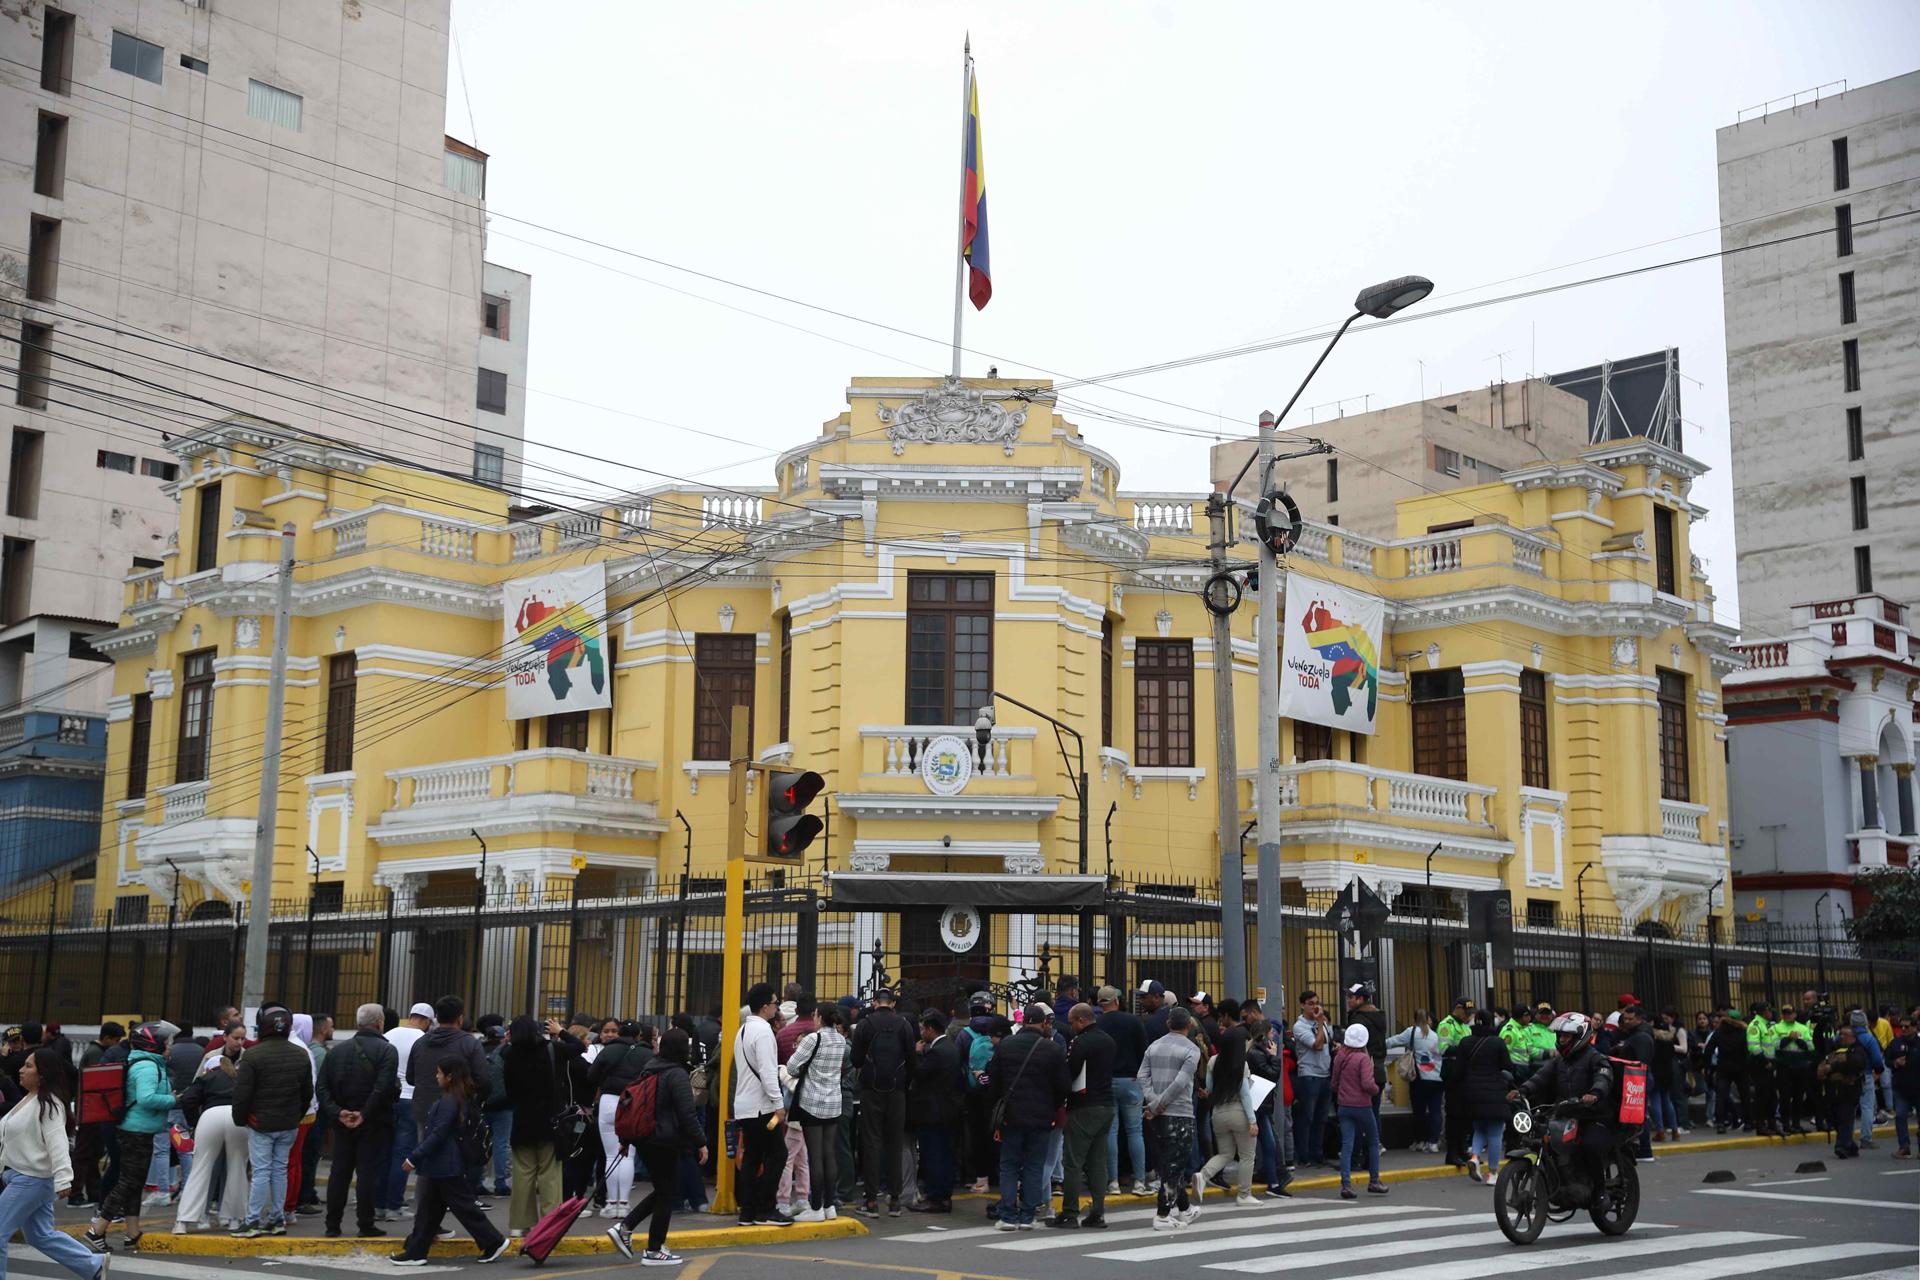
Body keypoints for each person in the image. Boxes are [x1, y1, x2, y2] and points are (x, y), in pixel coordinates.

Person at [388, 1059, 508, 1266]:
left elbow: (438, 1134)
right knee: (429, 1212)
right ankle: (416, 1251)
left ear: (450, 1076)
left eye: (439, 1073)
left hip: (445, 1164)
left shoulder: (449, 1101)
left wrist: (414, 1157)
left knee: (462, 1208)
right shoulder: (457, 1098)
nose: (436, 1076)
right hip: (443, 1165)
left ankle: (494, 1241)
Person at [605, 1028, 708, 1267]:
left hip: (644, 1138)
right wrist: (701, 1142)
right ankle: (653, 1249)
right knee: (666, 1193)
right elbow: (687, 1113)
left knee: (663, 1189)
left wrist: (626, 1140)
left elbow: (637, 1106)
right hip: (664, 1140)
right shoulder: (677, 1074)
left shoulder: (650, 1067)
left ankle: (626, 1227)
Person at [2, 1046, 101, 1280]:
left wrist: (64, 1178)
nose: (21, 1070)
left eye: (28, 1066)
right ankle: (93, 1265)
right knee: (40, 1235)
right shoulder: (29, 1099)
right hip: (21, 1176)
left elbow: (58, 1142)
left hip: (31, 1180)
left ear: (43, 1073)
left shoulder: (49, 1103)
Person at [86, 1022, 174, 1253]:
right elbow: (146, 1099)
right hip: (136, 1131)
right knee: (127, 1183)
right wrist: (174, 1100)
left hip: (139, 1130)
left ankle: (132, 1233)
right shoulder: (146, 1066)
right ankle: (97, 1229)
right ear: (154, 1044)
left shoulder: (148, 1063)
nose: (170, 1046)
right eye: (167, 1042)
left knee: (134, 1183)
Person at [226, 1005, 312, 1239]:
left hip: (261, 1123)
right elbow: (307, 1093)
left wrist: (240, 1119)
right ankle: (277, 1219)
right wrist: (295, 1115)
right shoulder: (300, 1053)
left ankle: (253, 1220)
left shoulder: (253, 1055)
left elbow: (242, 1094)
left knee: (261, 1171)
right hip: (289, 1123)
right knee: (280, 1171)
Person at [317, 1003, 399, 1240]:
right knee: (367, 1174)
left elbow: (322, 1087)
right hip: (374, 1122)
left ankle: (332, 1224)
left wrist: (339, 1112)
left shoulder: (336, 1051)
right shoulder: (386, 1051)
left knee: (339, 1173)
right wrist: (364, 1113)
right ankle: (366, 1223)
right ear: (380, 1022)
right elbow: (382, 1088)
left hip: (342, 1123)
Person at [987, 1003, 1068, 1231]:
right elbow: (1062, 1086)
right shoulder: (1051, 1049)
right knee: (1034, 1166)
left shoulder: (1006, 1046)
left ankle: (1007, 1215)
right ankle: (1028, 1216)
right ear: (1043, 1023)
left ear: (1023, 1022)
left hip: (1011, 1116)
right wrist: (1051, 1107)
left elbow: (993, 1082)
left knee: (1009, 1165)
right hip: (1042, 1118)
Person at [1513, 1012, 1617, 1188]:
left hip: (1593, 1116)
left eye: (1566, 1036)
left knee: (1590, 1147)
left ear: (1580, 1036)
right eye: (1560, 1035)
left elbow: (1603, 1077)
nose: (1561, 1039)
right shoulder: (1560, 1061)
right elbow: (1541, 1077)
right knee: (1543, 1137)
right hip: (1566, 1113)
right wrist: (1522, 1090)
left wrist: (1595, 1093)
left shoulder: (1595, 1058)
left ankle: (1599, 1192)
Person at [173, 1022, 249, 1233]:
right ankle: (234, 1219)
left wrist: (194, 1123)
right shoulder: (240, 1075)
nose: (240, 1042)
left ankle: (183, 1221)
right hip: (237, 1117)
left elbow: (188, 1099)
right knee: (237, 1168)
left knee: (200, 1168)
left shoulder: (207, 1076)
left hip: (210, 1116)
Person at [849, 986, 915, 1218]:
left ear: (875, 1002)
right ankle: (895, 1200)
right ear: (893, 1004)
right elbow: (912, 1060)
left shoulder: (865, 1026)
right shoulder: (904, 1025)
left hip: (870, 1090)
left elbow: (855, 1060)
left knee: (871, 1142)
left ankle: (870, 1201)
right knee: (894, 1143)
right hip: (897, 1092)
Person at [1048, 1002, 1114, 1229]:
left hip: (1084, 1106)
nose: (1071, 1026)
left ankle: (1069, 1213)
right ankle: (1098, 1213)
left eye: (1073, 1022)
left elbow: (1070, 1074)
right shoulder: (1108, 1040)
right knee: (1097, 1163)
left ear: (1082, 1020)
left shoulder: (1080, 1043)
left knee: (1073, 1162)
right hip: (1106, 1105)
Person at [782, 1004, 849, 1222]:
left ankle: (816, 1207)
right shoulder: (840, 1039)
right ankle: (830, 1206)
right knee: (829, 1153)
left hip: (812, 1102)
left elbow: (792, 1067)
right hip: (833, 1102)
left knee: (815, 1155)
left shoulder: (813, 1039)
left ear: (819, 1017)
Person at [497, 1016, 563, 1237]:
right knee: (550, 1174)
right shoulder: (550, 1049)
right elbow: (576, 1048)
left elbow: (508, 1089)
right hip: (548, 1119)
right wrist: (560, 1031)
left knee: (522, 1174)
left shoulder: (509, 1054)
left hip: (522, 1119)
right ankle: (549, 1224)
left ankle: (519, 1224)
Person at [733, 984, 790, 1228]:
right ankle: (766, 1207)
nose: (777, 1008)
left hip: (745, 1104)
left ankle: (748, 1211)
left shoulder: (743, 1030)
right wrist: (779, 1104)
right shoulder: (765, 1032)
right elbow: (768, 1073)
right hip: (761, 1106)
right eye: (776, 1003)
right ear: (765, 1006)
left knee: (752, 1157)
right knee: (778, 1154)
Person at [1140, 1006, 1200, 1231]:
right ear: (1189, 1025)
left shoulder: (1153, 1046)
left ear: (1168, 1024)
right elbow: (1181, 1083)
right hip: (1179, 1113)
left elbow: (1142, 1076)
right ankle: (1163, 1215)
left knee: (1168, 1164)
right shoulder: (1191, 1050)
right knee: (1174, 1165)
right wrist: (1160, 1103)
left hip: (1156, 1116)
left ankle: (1185, 1209)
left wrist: (1153, 1101)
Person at [1192, 999, 1253, 1207]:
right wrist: (1252, 1121)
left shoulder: (1213, 1061)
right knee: (1246, 1155)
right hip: (1238, 1111)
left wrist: (1206, 1094)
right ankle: (1244, 1195)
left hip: (1217, 1112)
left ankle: (1203, 1175)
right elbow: (1245, 1093)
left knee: (1225, 1153)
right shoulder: (1241, 1065)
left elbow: (1208, 1088)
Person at [587, 1020, 651, 1221]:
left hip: (608, 1101)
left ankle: (611, 1203)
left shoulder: (608, 1051)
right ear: (638, 1035)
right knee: (628, 1156)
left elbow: (591, 1076)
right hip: (632, 1103)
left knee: (610, 1155)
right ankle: (623, 1203)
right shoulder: (646, 1053)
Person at [1091, 986, 1147, 1196]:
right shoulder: (1133, 1021)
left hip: (1106, 1081)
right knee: (1135, 1132)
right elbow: (1144, 1051)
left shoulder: (1097, 1024)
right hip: (1131, 1080)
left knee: (1110, 1133)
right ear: (1117, 1000)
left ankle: (1112, 1182)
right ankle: (1139, 1181)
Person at [380, 1003, 433, 1222]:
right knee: (403, 1154)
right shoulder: (423, 1039)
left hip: (388, 1099)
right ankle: (394, 1205)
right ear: (428, 1021)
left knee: (384, 1152)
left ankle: (378, 1204)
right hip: (411, 1100)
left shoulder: (389, 1034)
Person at [908, 1010, 961, 1214]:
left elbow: (920, 1073)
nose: (921, 1032)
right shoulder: (951, 1047)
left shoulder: (936, 1051)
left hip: (934, 1111)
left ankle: (936, 1197)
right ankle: (943, 1196)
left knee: (934, 1155)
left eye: (923, 1029)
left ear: (930, 1029)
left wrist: (917, 1053)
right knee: (945, 1155)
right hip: (949, 1110)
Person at [1330, 1024, 1386, 1200]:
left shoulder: (1340, 1056)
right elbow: (1367, 1084)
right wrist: (1376, 1090)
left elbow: (1334, 1083)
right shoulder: (1363, 1058)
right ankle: (1374, 1181)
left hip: (1344, 1106)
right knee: (1373, 1141)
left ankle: (1346, 1185)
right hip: (1362, 1106)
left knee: (1347, 1144)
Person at [1457, 1009, 1511, 1184]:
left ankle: (1474, 1157)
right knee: (1495, 1133)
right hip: (1495, 1092)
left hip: (1472, 1092)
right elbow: (1508, 1066)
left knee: (1479, 1129)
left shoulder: (1465, 1043)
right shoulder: (1498, 1043)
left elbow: (1459, 1070)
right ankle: (1493, 1173)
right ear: (1491, 1023)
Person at [1388, 1009, 1444, 1153]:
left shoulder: (1411, 1032)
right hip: (1437, 1077)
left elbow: (1393, 1041)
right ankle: (1433, 1142)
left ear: (1414, 1019)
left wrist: (1375, 1043)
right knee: (1435, 1111)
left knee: (1419, 1111)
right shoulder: (1435, 1035)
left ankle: (1420, 1141)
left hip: (1420, 1078)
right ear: (1428, 1020)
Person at [1291, 991, 1332, 1167]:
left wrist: (1322, 1023)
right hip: (1309, 1075)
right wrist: (1321, 1024)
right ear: (1302, 1005)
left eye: (1317, 1002)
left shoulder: (1322, 1023)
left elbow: (1330, 1042)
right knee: (1306, 1117)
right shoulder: (1299, 1026)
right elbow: (1317, 1044)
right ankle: (1304, 1154)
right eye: (1310, 1003)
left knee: (1321, 1118)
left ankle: (1317, 1152)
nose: (1315, 1006)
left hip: (1325, 1073)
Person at [1821, 1024, 1870, 1159]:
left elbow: (1855, 1064)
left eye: (1845, 1035)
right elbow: (1825, 1063)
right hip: (1833, 1090)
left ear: (1853, 1037)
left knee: (1845, 1118)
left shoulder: (1858, 1050)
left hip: (1849, 1090)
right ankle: (1851, 1145)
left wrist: (1834, 1067)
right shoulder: (1835, 1049)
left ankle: (1841, 1146)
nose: (1842, 1037)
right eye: (1840, 1034)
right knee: (1835, 1118)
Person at [1773, 1005, 1817, 1134]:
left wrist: (1798, 1040)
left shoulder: (1802, 1028)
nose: (1788, 1016)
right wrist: (1788, 1039)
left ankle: (1796, 1124)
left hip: (1800, 1066)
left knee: (1799, 1096)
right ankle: (1785, 1124)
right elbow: (1773, 1044)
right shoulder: (1776, 1028)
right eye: (1785, 1013)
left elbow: (1810, 1046)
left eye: (1790, 1013)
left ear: (1795, 1014)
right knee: (1785, 1097)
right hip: (1784, 1067)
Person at [1708, 1009, 1748, 1133]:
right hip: (1741, 1067)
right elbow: (1747, 1050)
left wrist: (1707, 1066)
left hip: (1723, 1068)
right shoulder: (1743, 1032)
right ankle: (1748, 1122)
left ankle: (1720, 1123)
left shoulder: (1719, 1032)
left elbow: (1709, 1049)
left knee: (1721, 1095)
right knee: (1744, 1095)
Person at [1887, 1014, 1918, 1159]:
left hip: (1917, 1086)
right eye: (1902, 1026)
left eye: (1907, 1026)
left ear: (1915, 1027)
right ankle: (1904, 1147)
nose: (1904, 1029)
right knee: (1900, 1116)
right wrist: (1895, 1062)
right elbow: (1886, 1059)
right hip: (1900, 1087)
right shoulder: (1895, 1042)